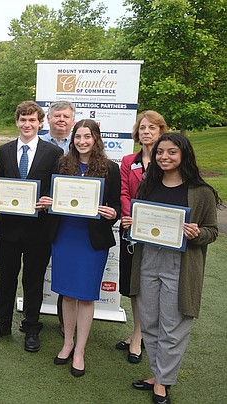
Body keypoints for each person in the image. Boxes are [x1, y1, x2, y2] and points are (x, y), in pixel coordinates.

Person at [125, 132, 219, 404]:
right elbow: (142, 220)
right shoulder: (148, 184)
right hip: (148, 259)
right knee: (150, 321)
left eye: (171, 152)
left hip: (181, 264)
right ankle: (157, 373)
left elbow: (212, 232)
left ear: (184, 155)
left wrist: (197, 233)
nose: (164, 157)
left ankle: (163, 382)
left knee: (173, 325)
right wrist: (133, 224)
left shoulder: (201, 192)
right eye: (160, 152)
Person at [0, 101, 63, 353]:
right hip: (8, 227)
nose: (27, 125)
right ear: (17, 122)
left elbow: (54, 187)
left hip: (39, 229)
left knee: (33, 279)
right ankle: (2, 322)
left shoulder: (53, 153)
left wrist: (48, 200)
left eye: (32, 120)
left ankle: (31, 326)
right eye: (22, 120)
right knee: (6, 276)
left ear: (41, 123)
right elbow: (1, 183)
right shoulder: (4, 151)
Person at [43, 119, 120, 377]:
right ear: (73, 139)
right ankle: (67, 343)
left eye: (87, 136)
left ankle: (80, 351)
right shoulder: (63, 164)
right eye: (78, 137)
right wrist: (49, 201)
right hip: (65, 235)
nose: (82, 141)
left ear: (96, 138)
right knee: (67, 293)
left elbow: (116, 207)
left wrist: (113, 213)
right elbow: (53, 196)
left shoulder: (110, 168)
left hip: (91, 240)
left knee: (86, 295)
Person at [116, 111, 167, 363]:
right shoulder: (128, 161)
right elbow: (124, 193)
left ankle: (142, 335)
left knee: (154, 286)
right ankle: (138, 332)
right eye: (143, 128)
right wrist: (130, 217)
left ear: (161, 131)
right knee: (134, 285)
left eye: (152, 128)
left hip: (159, 235)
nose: (147, 132)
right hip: (132, 232)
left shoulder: (167, 161)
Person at [38, 100, 75, 337]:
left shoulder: (81, 144)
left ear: (72, 121)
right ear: (48, 119)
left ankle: (66, 321)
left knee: (66, 270)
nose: (61, 120)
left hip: (69, 219)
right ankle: (31, 316)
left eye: (66, 117)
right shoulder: (36, 143)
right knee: (36, 269)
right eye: (57, 116)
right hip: (41, 216)